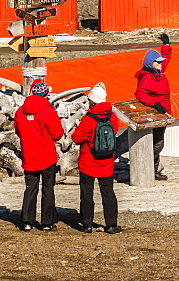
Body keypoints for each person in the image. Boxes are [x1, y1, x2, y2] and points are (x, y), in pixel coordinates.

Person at [14, 79, 64, 231]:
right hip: (47, 155)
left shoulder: (20, 112)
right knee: (48, 188)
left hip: (29, 155)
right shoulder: (49, 112)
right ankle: (47, 222)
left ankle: (27, 221)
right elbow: (57, 134)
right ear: (45, 94)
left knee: (30, 188)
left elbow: (17, 131)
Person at [72, 82, 121, 234]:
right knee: (108, 193)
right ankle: (111, 224)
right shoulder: (112, 116)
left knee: (87, 193)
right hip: (106, 162)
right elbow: (115, 130)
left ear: (92, 101)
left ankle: (87, 224)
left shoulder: (88, 119)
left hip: (88, 161)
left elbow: (77, 138)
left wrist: (77, 125)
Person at [134, 35, 172, 179]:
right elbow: (140, 94)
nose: (161, 64)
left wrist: (166, 45)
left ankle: (152, 169)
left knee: (158, 142)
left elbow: (166, 59)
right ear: (151, 63)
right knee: (157, 143)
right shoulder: (147, 77)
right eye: (158, 62)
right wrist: (155, 104)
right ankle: (150, 170)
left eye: (160, 62)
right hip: (156, 114)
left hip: (163, 113)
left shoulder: (157, 72)